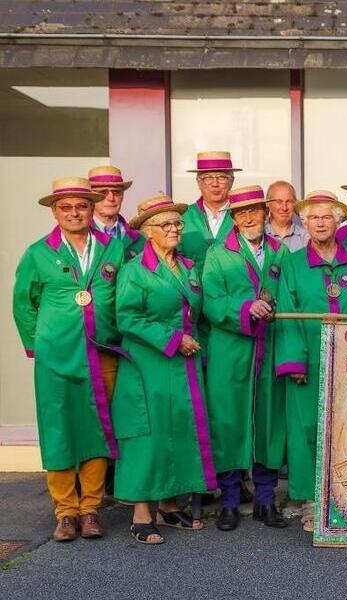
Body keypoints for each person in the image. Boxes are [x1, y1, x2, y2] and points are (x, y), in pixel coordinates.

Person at [13, 177, 125, 542]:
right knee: (59, 429)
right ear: (54, 211)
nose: (74, 213)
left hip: (101, 352)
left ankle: (91, 508)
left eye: (81, 206)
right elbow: (22, 304)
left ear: (92, 208)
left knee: (96, 427)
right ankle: (65, 511)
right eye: (66, 207)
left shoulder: (112, 248)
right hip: (56, 358)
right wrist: (39, 346)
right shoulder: (38, 253)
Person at [112, 194, 218, 544]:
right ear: (147, 232)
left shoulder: (187, 267)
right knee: (150, 435)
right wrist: (173, 339)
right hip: (150, 362)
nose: (174, 229)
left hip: (182, 365)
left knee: (179, 429)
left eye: (177, 223)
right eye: (166, 225)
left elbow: (194, 313)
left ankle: (170, 506)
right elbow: (127, 317)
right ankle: (142, 513)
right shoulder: (134, 271)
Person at [202, 185, 290, 531]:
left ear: (266, 213)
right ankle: (229, 502)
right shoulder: (217, 254)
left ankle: (266, 501)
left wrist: (276, 309)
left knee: (269, 422)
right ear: (233, 219)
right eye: (241, 213)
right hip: (231, 349)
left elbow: (290, 295)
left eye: (254, 210)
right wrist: (244, 309)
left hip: (269, 347)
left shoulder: (281, 252)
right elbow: (209, 301)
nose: (249, 217)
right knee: (228, 422)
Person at [275, 190, 347, 532]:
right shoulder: (294, 264)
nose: (320, 223)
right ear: (305, 223)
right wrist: (295, 360)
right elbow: (287, 310)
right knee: (307, 428)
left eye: (327, 217)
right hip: (309, 358)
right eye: (313, 218)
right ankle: (312, 498)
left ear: (339, 221)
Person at [179, 151, 242, 273]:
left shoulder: (243, 217)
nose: (215, 184)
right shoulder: (183, 217)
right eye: (207, 178)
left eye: (222, 177)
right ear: (198, 182)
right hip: (192, 290)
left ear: (232, 181)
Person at [88, 165, 144, 259]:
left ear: (122, 196)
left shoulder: (139, 239)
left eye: (116, 192)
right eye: (103, 192)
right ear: (91, 197)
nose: (111, 198)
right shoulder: (78, 234)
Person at [265, 180, 310, 252]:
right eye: (279, 201)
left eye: (289, 201)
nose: (284, 208)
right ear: (268, 204)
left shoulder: (306, 238)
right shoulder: (259, 235)